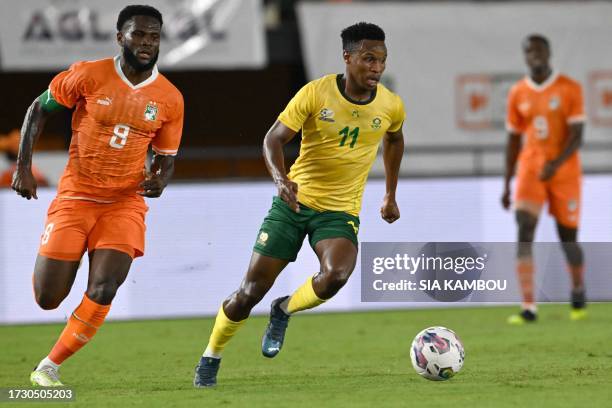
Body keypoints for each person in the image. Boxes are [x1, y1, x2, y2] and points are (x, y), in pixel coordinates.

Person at [193, 22, 405, 387]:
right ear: (348, 58)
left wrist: (389, 194)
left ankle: (284, 308)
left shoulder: (390, 104)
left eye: (382, 60)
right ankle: (211, 355)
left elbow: (395, 140)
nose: (376, 68)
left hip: (339, 211)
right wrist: (280, 179)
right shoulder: (316, 93)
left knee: (336, 275)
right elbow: (273, 139)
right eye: (369, 59)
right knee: (248, 293)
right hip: (294, 203)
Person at [11, 5, 184, 386]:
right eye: (138, 34)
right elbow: (37, 110)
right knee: (47, 297)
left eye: (153, 36)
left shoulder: (170, 98)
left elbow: (167, 158)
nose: (146, 43)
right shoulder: (88, 74)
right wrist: (24, 165)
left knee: (105, 286)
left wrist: (160, 179)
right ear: (120, 36)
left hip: (124, 202)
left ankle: (48, 366)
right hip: (76, 197)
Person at [502, 34, 586, 324]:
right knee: (524, 228)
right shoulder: (517, 92)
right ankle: (528, 306)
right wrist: (506, 183)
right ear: (525, 57)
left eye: (539, 50)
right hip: (531, 168)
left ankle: (577, 288)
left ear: (548, 53)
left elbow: (577, 136)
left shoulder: (569, 88)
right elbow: (513, 139)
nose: (534, 55)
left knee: (568, 239)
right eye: (529, 51)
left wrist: (556, 164)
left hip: (565, 171)